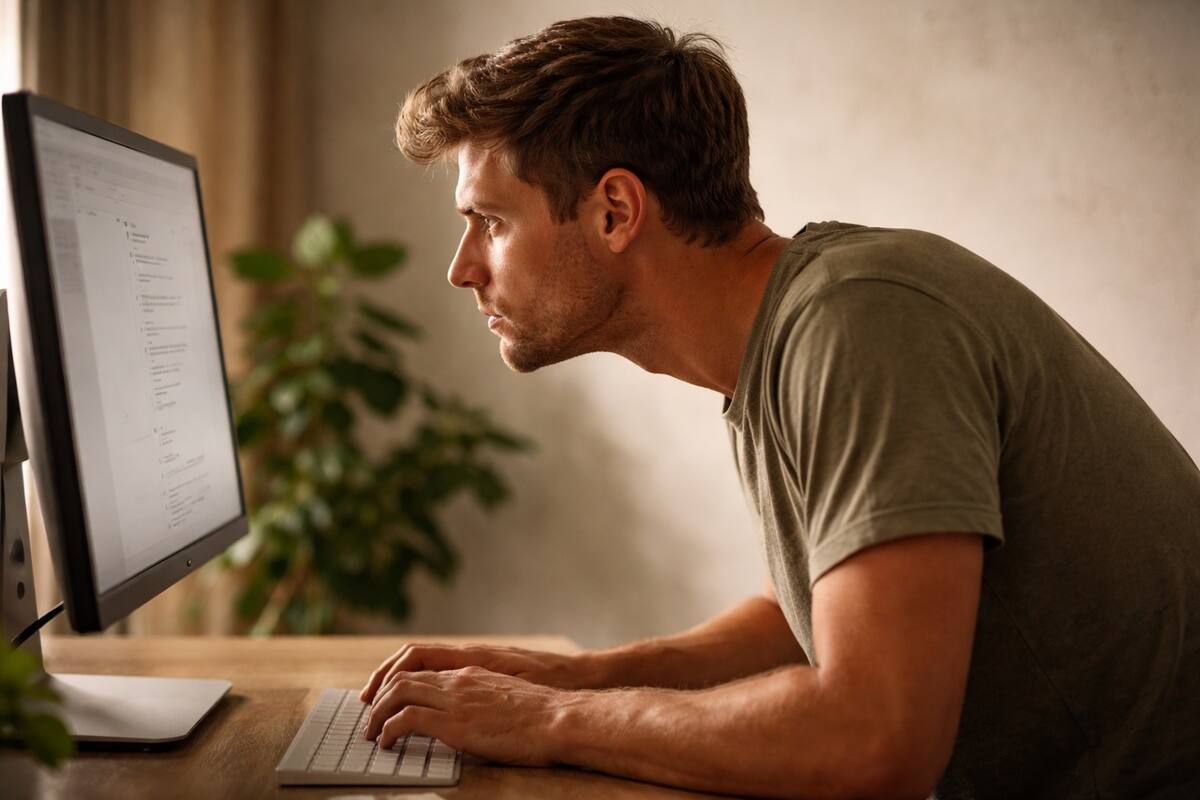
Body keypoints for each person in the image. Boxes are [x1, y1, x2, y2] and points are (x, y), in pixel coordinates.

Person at [357, 16, 1200, 800]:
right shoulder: (793, 329)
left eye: (489, 222)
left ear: (616, 210)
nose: (461, 268)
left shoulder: (860, 325)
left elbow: (877, 737)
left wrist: (551, 721)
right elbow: (795, 620)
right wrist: (569, 678)